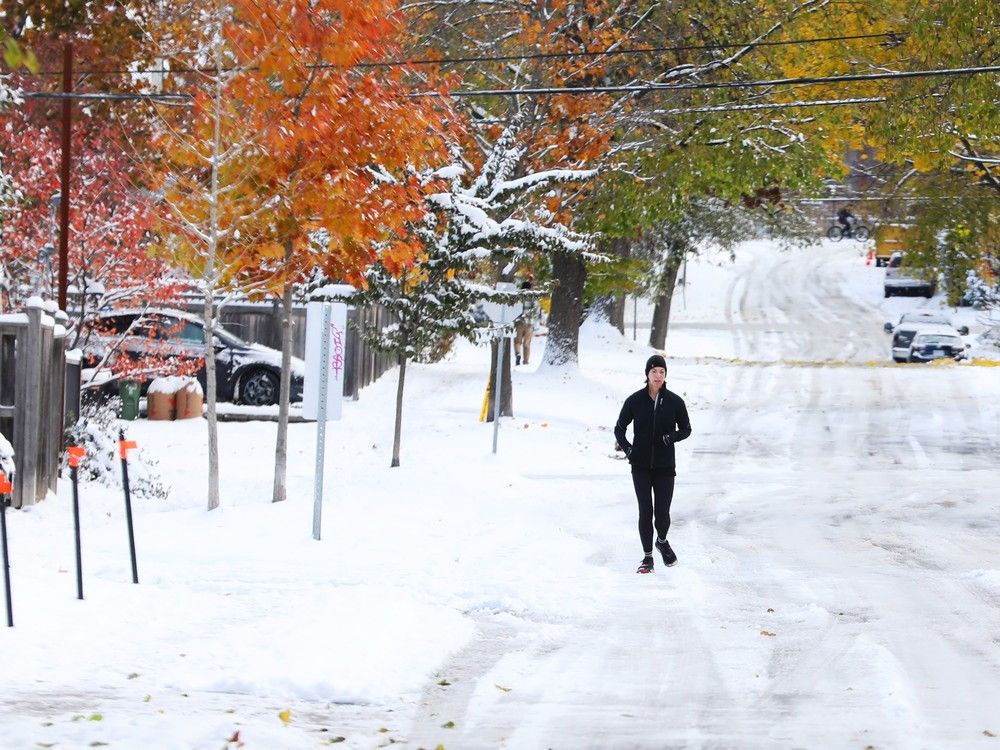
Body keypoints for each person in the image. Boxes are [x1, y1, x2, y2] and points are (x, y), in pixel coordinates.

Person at [614, 354, 692, 574]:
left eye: (662, 372)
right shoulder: (635, 401)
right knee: (645, 511)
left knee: (663, 512)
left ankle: (662, 541)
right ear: (647, 374)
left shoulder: (675, 402)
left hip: (665, 465)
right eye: (654, 371)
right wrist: (629, 450)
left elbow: (686, 429)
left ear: (666, 375)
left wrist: (671, 437)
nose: (658, 376)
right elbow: (619, 429)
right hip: (640, 466)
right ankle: (648, 557)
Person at [514, 281, 540, 366]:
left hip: (519, 323)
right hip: (529, 324)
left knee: (517, 341)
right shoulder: (533, 297)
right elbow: (536, 310)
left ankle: (518, 354)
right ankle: (525, 362)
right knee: (527, 343)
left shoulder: (518, 296)